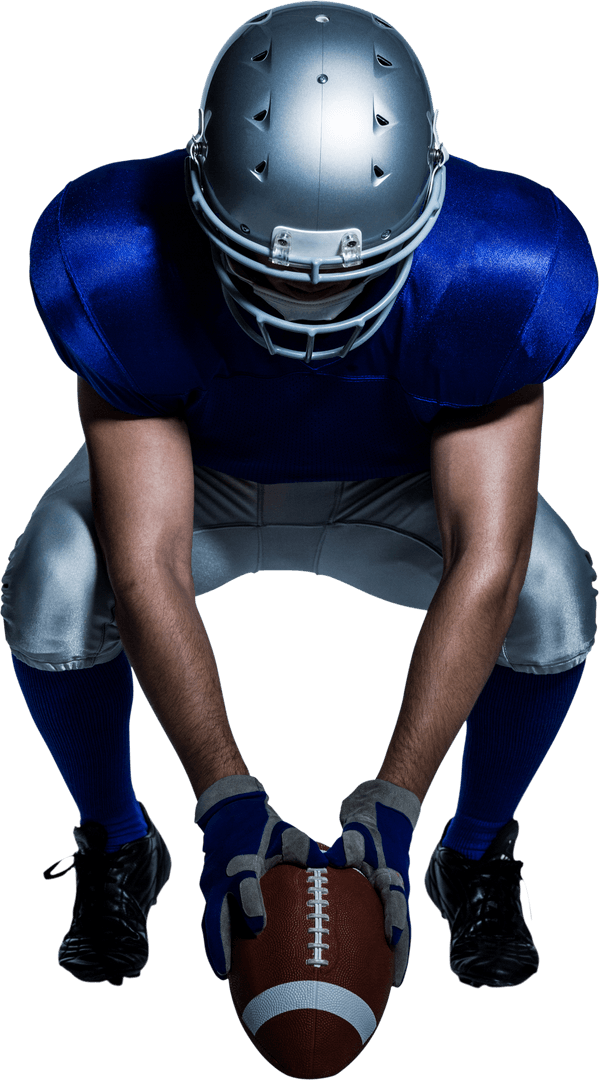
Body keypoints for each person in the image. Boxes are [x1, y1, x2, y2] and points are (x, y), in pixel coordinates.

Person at [2, 1, 596, 996]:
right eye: (270, 273)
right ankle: (118, 843)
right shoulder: (116, 261)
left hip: (392, 489)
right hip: (210, 484)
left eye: (345, 277)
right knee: (56, 572)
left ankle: (472, 851)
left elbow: (484, 561)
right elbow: (147, 565)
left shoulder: (502, 270)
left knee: (549, 584)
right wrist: (225, 799)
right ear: (200, 197)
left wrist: (393, 801)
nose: (308, 308)